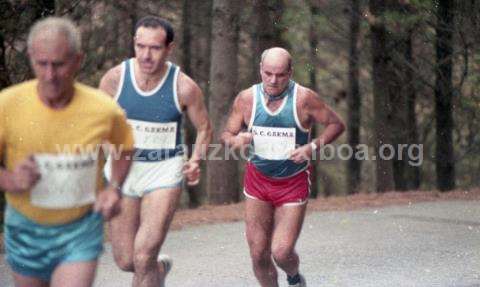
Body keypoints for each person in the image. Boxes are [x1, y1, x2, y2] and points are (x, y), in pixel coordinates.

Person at [0, 17, 134, 287]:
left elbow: (125, 148)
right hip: (26, 227)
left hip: (80, 228)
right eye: (42, 64)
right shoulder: (7, 105)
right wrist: (12, 180)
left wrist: (114, 188)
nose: (50, 75)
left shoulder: (103, 109)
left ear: (77, 60)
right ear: (31, 58)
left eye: (59, 64)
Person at [99, 16, 212, 287]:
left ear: (169, 48)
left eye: (155, 48)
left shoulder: (184, 87)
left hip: (164, 171)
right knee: (126, 260)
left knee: (143, 255)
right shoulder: (115, 79)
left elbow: (205, 128)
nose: (146, 55)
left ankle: (150, 265)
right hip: (123, 172)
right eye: (141, 47)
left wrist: (195, 160)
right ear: (134, 44)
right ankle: (159, 270)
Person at [222, 47, 345, 287]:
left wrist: (312, 147)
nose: (273, 80)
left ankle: (295, 278)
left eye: (280, 74)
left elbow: (336, 124)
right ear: (260, 70)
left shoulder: (304, 98)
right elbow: (227, 133)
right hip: (258, 181)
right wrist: (236, 140)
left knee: (281, 252)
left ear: (290, 72)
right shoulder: (247, 98)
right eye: (268, 73)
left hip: (293, 183)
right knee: (258, 254)